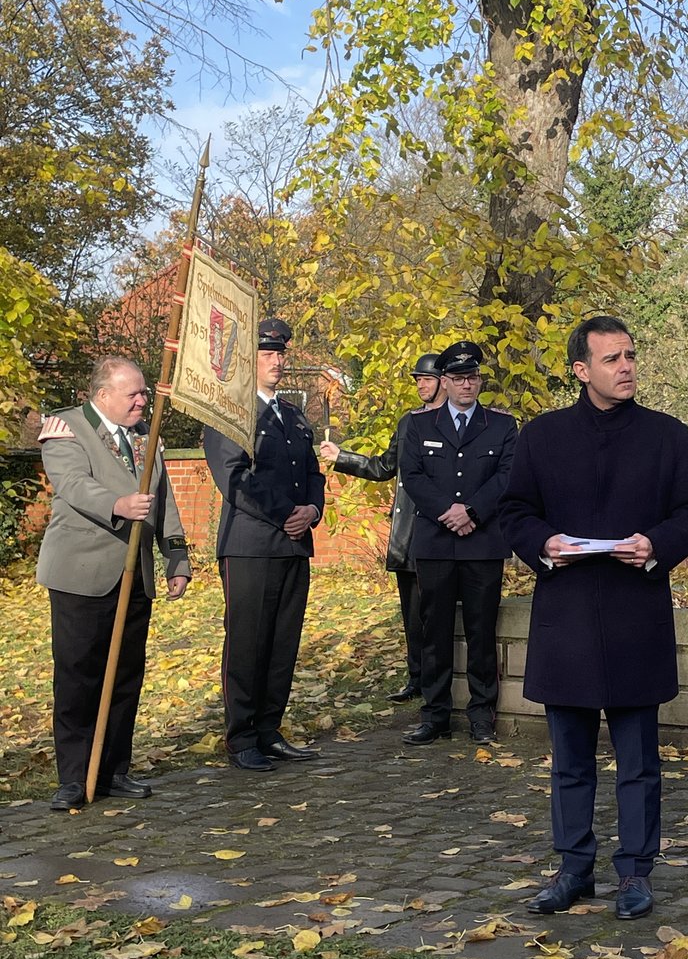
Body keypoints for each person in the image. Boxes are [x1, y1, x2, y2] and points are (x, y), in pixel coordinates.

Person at [499, 315, 688, 920]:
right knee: (569, 758)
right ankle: (573, 870)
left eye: (630, 356)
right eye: (612, 358)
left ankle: (636, 874)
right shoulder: (542, 437)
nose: (626, 367)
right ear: (581, 370)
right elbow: (514, 509)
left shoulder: (667, 436)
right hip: (565, 617)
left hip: (634, 615)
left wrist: (656, 544)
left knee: (639, 760)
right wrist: (544, 543)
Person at [36, 356, 192, 810]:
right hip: (81, 574)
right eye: (134, 394)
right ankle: (73, 777)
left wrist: (176, 556)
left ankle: (112, 771)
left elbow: (163, 500)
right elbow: (72, 484)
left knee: (125, 677)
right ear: (103, 395)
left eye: (144, 392)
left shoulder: (147, 435)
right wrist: (118, 503)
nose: (143, 400)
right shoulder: (65, 428)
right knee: (78, 676)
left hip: (134, 574)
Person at [203, 317, 326, 771]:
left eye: (281, 354)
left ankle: (270, 729)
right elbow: (234, 478)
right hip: (251, 545)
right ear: (248, 361)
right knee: (248, 643)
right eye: (267, 354)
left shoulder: (292, 414)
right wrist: (285, 514)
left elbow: (313, 472)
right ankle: (241, 736)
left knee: (282, 643)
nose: (277, 361)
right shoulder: (230, 412)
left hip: (294, 544)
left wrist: (312, 511)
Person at [399, 341, 517, 744]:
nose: (467, 385)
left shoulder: (501, 425)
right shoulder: (419, 425)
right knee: (434, 632)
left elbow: (506, 476)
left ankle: (482, 715)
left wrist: (472, 512)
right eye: (458, 378)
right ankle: (435, 715)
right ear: (444, 383)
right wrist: (447, 511)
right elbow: (412, 476)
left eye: (473, 377)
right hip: (434, 541)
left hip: (482, 543)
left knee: (482, 631)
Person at [318, 354, 446, 703]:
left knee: (441, 615)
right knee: (412, 614)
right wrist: (341, 457)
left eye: (427, 378)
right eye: (417, 378)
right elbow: (383, 467)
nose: (421, 384)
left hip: (444, 533)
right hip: (409, 535)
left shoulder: (455, 422)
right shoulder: (407, 423)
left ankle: (441, 685)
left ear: (443, 382)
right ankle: (416, 678)